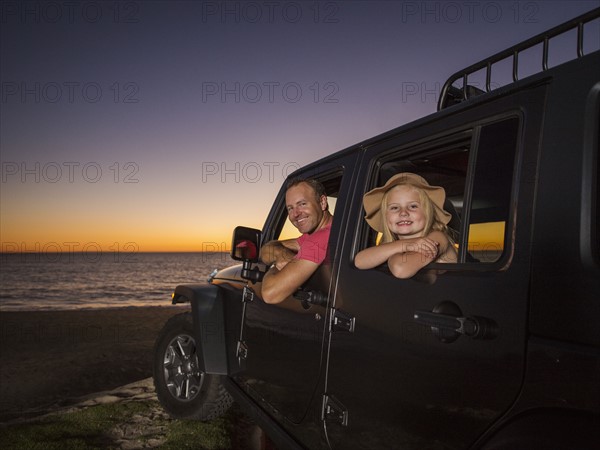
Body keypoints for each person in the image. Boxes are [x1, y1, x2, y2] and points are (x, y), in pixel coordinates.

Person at [355, 172, 457, 279]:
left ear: (428, 212)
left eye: (413, 206)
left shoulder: (438, 238)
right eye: (394, 208)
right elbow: (359, 261)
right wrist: (406, 244)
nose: (403, 213)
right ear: (385, 216)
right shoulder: (399, 246)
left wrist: (393, 255)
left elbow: (400, 269)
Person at [259, 178, 333, 304]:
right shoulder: (314, 234)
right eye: (290, 208)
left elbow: (270, 294)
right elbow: (267, 249)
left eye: (302, 204)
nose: (295, 214)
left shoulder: (321, 238)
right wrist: (283, 256)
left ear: (322, 202)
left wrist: (275, 266)